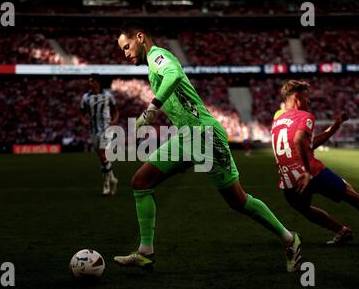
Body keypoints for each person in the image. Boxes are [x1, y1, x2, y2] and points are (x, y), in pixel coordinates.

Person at [114, 22, 302, 273]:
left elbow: (174, 75)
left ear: (140, 37)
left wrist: (152, 108)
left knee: (238, 200)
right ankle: (145, 251)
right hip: (184, 137)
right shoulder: (152, 64)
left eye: (127, 47)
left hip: (205, 135)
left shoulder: (158, 55)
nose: (125, 53)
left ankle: (289, 239)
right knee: (140, 182)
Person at [271, 80, 359, 245]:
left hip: (290, 179)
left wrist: (334, 127)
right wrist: (308, 172)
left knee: (304, 209)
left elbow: (308, 143)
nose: (309, 101)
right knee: (356, 198)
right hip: (312, 173)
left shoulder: (277, 116)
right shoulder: (306, 117)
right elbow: (299, 139)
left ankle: (341, 230)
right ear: (296, 97)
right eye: (306, 96)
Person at [80, 74, 119, 196]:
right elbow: (81, 112)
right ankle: (112, 179)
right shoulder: (86, 97)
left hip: (106, 129)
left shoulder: (107, 96)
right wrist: (83, 121)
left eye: (91, 81)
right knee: (102, 159)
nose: (89, 83)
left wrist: (114, 120)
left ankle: (107, 184)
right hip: (93, 130)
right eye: (89, 81)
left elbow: (116, 110)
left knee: (103, 155)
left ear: (98, 82)